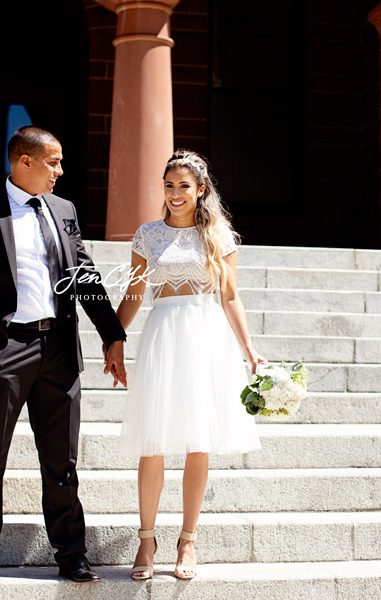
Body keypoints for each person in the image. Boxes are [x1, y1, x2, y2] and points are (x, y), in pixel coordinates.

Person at [0, 126, 127, 584]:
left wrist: (112, 335)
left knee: (62, 459)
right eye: (53, 162)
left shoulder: (64, 209)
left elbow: (83, 273)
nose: (60, 171)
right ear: (24, 161)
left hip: (59, 347)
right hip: (5, 348)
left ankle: (71, 554)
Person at [114, 149, 264, 581]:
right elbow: (134, 295)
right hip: (163, 335)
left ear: (201, 190)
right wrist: (114, 341)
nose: (175, 194)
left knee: (200, 440)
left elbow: (230, 297)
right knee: (153, 442)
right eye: (169, 186)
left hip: (206, 336)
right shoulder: (147, 235)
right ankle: (146, 541)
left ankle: (187, 540)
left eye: (184, 186)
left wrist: (249, 349)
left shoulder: (219, 235)